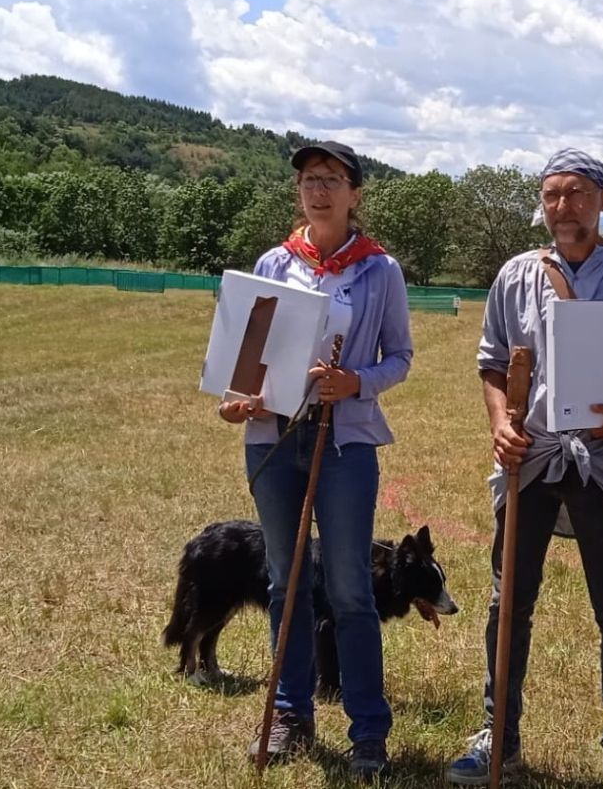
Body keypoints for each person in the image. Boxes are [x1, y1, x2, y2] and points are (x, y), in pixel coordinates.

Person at [446, 148, 603, 788]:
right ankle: (497, 732)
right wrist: (501, 422)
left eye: (578, 194)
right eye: (553, 195)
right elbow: (492, 362)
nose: (564, 207)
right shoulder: (515, 275)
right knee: (510, 602)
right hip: (530, 457)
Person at [217, 141, 413, 781]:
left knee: (352, 589)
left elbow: (399, 358)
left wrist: (355, 382)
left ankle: (367, 733)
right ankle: (289, 714)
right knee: (285, 581)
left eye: (331, 179)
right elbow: (249, 356)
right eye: (308, 179)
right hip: (274, 440)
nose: (318, 189)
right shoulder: (275, 262)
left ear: (355, 193)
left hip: (345, 441)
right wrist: (239, 397)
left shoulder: (379, 270)